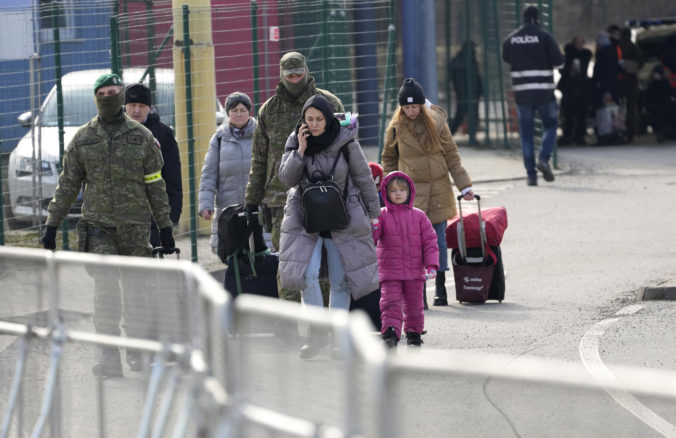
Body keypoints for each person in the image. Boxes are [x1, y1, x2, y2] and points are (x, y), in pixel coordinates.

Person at [41, 73, 175, 378]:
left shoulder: (141, 138)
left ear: (121, 95)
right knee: (106, 293)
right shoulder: (83, 139)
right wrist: (52, 224)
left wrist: (165, 227)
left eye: (113, 92)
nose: (108, 97)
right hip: (98, 228)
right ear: (95, 97)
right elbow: (67, 185)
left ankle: (137, 352)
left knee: (136, 293)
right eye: (102, 93)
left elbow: (156, 184)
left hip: (135, 229)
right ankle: (108, 355)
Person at [277, 95, 380, 358]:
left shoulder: (345, 142)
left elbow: (364, 178)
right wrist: (300, 150)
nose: (313, 124)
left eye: (318, 119)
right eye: (309, 119)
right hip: (305, 220)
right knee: (306, 276)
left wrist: (374, 214)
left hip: (342, 219)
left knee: (340, 282)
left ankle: (337, 338)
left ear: (329, 118)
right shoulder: (295, 140)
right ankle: (316, 335)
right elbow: (286, 179)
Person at [244, 51, 343, 303]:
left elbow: (347, 151)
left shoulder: (329, 104)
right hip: (280, 202)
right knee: (289, 268)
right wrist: (252, 201)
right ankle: (293, 328)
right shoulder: (269, 111)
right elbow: (259, 159)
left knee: (320, 269)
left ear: (306, 71)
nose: (295, 79)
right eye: (290, 75)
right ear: (281, 75)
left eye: (299, 74)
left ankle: (322, 328)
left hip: (324, 199)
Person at [381, 77, 474, 309]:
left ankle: (440, 286)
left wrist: (465, 185)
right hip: (409, 193)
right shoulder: (395, 129)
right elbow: (389, 159)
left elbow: (452, 155)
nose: (411, 111)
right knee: (412, 244)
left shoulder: (437, 124)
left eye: (414, 106)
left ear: (422, 105)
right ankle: (418, 290)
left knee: (439, 240)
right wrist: (387, 190)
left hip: (438, 190)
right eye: (406, 107)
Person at [373, 171, 438, 349]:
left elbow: (430, 241)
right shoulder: (381, 215)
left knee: (415, 306)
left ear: (410, 192)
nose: (398, 193)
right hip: (390, 271)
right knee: (390, 303)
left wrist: (431, 264)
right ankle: (390, 334)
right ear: (386, 193)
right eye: (393, 190)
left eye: (402, 189)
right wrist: (373, 225)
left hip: (414, 271)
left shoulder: (419, 216)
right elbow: (372, 238)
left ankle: (414, 334)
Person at [502, 5, 564, 186]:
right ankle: (544, 159)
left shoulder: (511, 39)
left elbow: (507, 58)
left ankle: (531, 176)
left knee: (527, 135)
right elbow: (559, 63)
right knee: (551, 124)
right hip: (544, 92)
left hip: (522, 94)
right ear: (537, 18)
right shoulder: (544, 36)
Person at [124, 83, 182, 245]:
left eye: (142, 106)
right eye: (132, 105)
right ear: (124, 106)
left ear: (149, 108)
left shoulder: (163, 134)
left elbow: (173, 177)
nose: (136, 110)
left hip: (152, 218)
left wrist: (172, 217)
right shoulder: (112, 132)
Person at [198, 92, 256, 253]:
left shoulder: (260, 135)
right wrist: (205, 204)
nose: (238, 114)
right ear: (228, 112)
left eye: (242, 110)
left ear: (249, 112)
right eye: (234, 110)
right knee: (230, 255)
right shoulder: (218, 139)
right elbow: (209, 174)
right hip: (228, 209)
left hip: (256, 207)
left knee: (258, 254)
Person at [557, 35, 592, 145]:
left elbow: (585, 70)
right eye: (577, 42)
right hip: (569, 89)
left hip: (582, 88)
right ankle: (568, 135)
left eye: (581, 42)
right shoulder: (567, 57)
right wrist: (569, 70)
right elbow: (562, 69)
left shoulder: (585, 56)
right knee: (568, 114)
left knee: (581, 114)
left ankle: (579, 136)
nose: (579, 44)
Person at [450, 40, 483, 135]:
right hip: (470, 92)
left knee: (462, 115)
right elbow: (477, 77)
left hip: (465, 92)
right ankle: (449, 135)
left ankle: (450, 134)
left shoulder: (457, 60)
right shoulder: (469, 61)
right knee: (468, 115)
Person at [618, 27, 644, 142]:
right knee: (632, 108)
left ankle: (620, 130)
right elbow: (641, 62)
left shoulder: (617, 47)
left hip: (619, 81)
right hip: (631, 81)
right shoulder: (633, 47)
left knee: (620, 108)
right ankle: (631, 132)